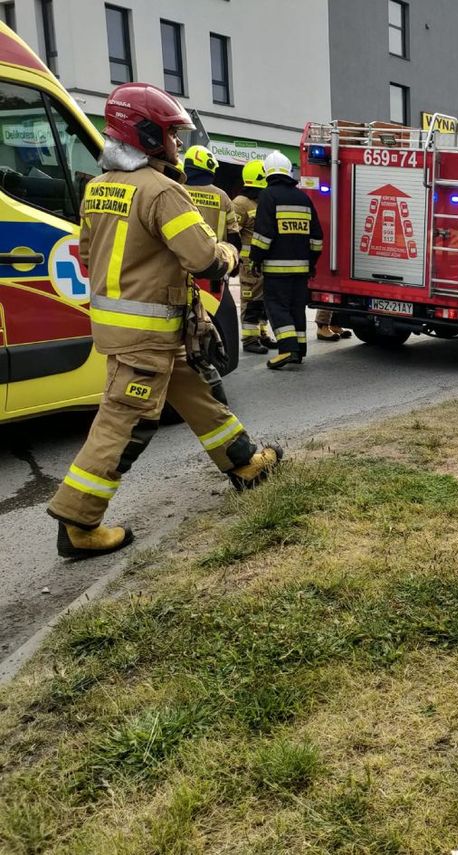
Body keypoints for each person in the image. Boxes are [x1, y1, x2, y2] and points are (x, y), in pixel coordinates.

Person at [47, 83, 283, 558]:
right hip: (148, 333)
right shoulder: (162, 191)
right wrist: (233, 254)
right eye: (173, 135)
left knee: (197, 392)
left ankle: (245, 465)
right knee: (125, 422)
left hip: (135, 328)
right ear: (148, 134)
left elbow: (89, 255)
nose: (179, 145)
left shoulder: (97, 188)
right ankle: (79, 521)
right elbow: (205, 260)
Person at [249, 151, 324, 370]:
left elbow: (264, 234)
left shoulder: (268, 196)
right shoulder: (303, 197)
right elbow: (317, 237)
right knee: (296, 308)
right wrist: (311, 262)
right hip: (301, 270)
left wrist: (255, 259)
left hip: (276, 269)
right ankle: (299, 350)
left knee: (277, 307)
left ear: (267, 172)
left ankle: (287, 349)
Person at [231, 160, 277, 354]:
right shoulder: (240, 204)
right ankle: (249, 339)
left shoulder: (262, 201)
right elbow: (232, 233)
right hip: (249, 263)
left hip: (264, 261)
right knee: (250, 301)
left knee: (263, 300)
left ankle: (262, 334)